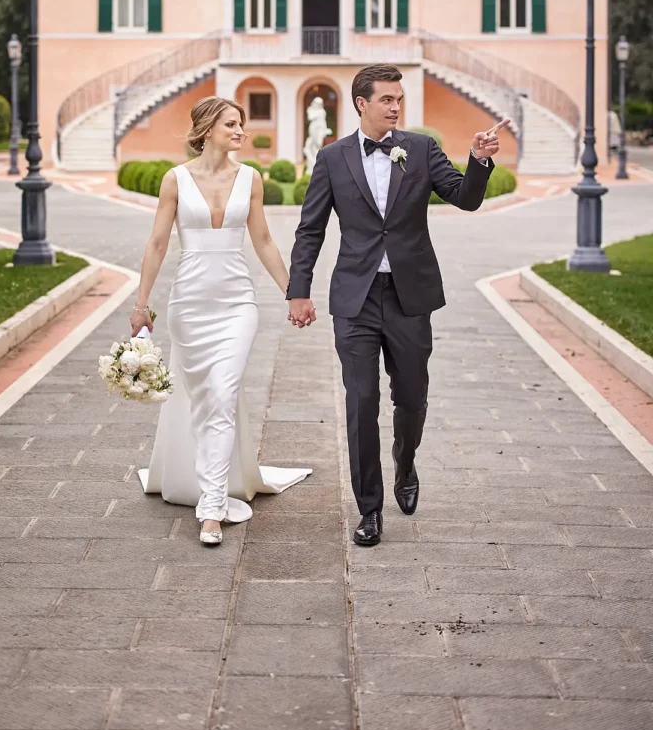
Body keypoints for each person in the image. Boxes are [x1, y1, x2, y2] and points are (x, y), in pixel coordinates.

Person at [286, 63, 507, 548]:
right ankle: (369, 508)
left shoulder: (422, 149)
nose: (395, 106)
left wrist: (479, 160)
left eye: (398, 100)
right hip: (356, 299)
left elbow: (464, 199)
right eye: (387, 99)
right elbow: (311, 229)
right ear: (362, 104)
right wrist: (298, 290)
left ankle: (405, 461)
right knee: (361, 400)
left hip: (410, 298)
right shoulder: (332, 157)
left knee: (411, 397)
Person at [133, 96, 311, 546]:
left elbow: (265, 240)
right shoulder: (175, 180)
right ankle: (199, 479)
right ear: (208, 127)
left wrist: (293, 292)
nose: (241, 131)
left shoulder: (250, 179)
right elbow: (156, 245)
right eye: (232, 123)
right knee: (203, 400)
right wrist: (141, 303)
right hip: (188, 306)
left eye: (242, 123)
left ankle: (211, 507)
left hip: (237, 305)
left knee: (223, 392)